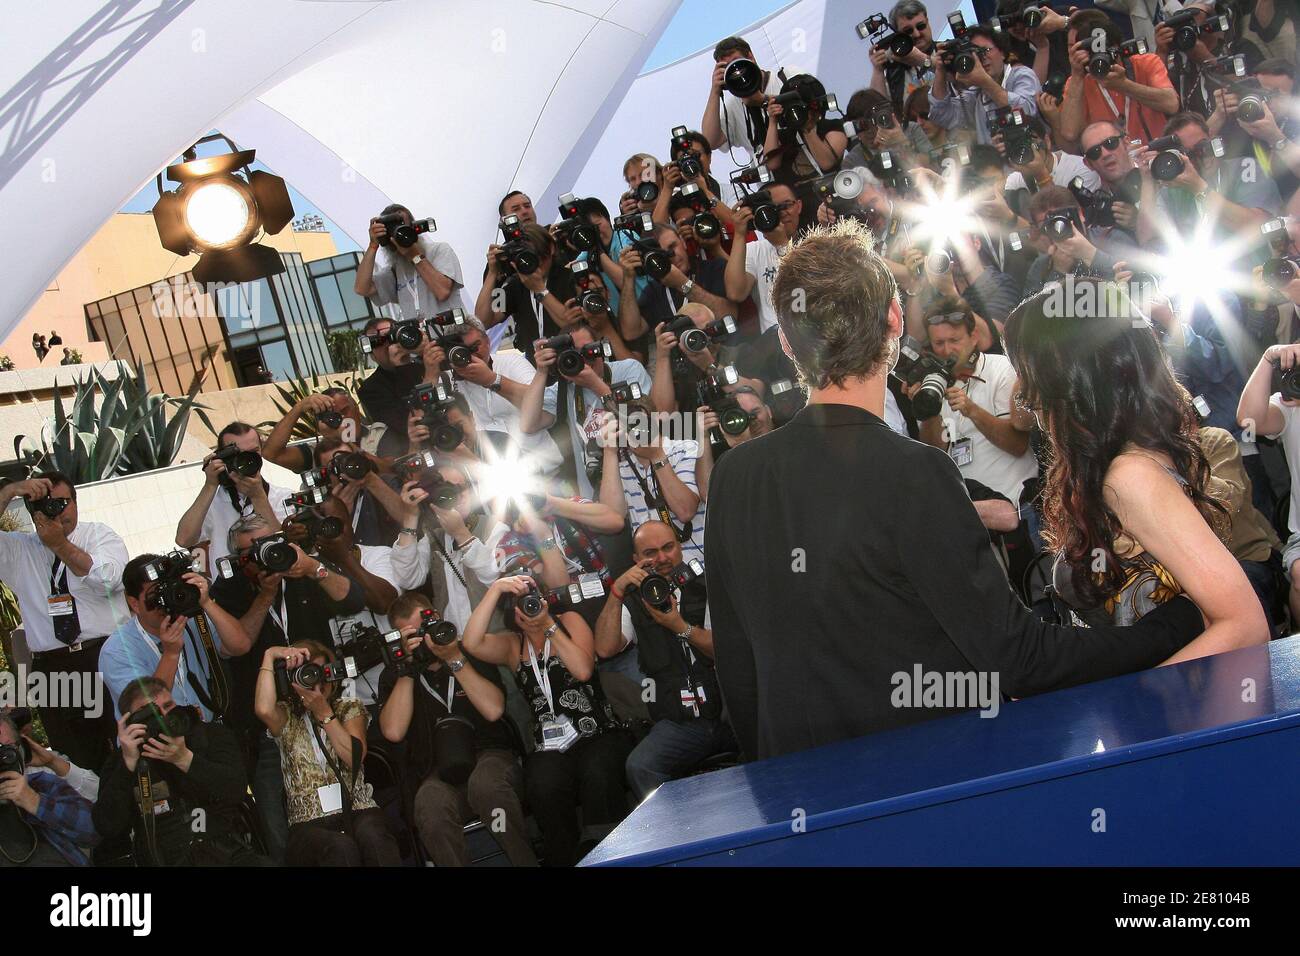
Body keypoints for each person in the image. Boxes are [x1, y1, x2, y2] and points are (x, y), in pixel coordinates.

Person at [705, 219, 1216, 763]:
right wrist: (1175, 623)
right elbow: (1019, 658)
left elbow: (737, 672)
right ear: (896, 321)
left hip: (800, 807)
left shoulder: (734, 478)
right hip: (932, 794)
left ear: (786, 341)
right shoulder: (914, 471)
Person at [1008, 278, 1268, 649]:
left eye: (1028, 368)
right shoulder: (1134, 458)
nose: (1024, 388)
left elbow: (1243, 624)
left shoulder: (1130, 477)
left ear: (1069, 376)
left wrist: (1134, 700)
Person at [462, 575, 631, 866]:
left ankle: (607, 854)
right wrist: (495, 589)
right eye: (520, 601)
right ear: (511, 610)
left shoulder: (569, 621)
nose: (529, 605)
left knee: (598, 771)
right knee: (542, 784)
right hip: (550, 747)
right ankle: (566, 858)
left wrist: (548, 627)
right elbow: (471, 642)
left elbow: (582, 671)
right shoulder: (513, 645)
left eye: (533, 596)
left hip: (598, 731)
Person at [377, 592, 536, 866]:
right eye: (412, 635)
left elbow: (494, 710)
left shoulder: (471, 651)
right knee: (429, 807)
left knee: (486, 788)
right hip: (437, 771)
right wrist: (407, 668)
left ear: (436, 618)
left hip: (490, 755)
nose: (422, 638)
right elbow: (393, 732)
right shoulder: (397, 673)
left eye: (425, 628)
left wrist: (453, 657)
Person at [594, 522, 734, 800]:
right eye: (650, 552)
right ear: (636, 561)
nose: (661, 558)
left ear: (679, 546)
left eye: (668, 547)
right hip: (680, 722)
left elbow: (726, 651)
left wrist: (678, 625)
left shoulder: (709, 583)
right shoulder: (633, 599)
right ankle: (680, 833)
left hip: (730, 710)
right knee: (640, 766)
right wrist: (616, 592)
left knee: (772, 739)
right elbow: (605, 648)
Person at [0, 472, 126, 771]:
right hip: (52, 665)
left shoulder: (98, 535)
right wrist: (10, 491)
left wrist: (60, 546)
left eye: (61, 503)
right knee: (75, 760)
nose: (55, 511)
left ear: (75, 502)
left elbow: (109, 581)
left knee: (126, 749)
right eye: (44, 505)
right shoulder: (20, 548)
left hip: (103, 655)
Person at [93, 678, 271, 866]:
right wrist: (128, 764)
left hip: (227, 852)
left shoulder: (209, 735)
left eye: (168, 707)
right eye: (150, 715)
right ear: (132, 724)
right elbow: (107, 826)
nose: (163, 717)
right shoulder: (123, 760)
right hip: (165, 858)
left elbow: (236, 789)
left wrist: (185, 759)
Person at [255, 639, 402, 866]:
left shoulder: (348, 707)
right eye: (306, 673)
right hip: (307, 822)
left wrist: (325, 714)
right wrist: (270, 654)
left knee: (374, 836)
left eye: (320, 672)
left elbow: (354, 758)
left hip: (357, 808)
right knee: (340, 847)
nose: (315, 681)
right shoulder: (285, 716)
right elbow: (263, 708)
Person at [99, 554, 254, 722]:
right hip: (157, 741)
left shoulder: (191, 619)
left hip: (207, 732)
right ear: (134, 603)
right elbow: (148, 708)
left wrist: (206, 602)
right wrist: (171, 654)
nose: (165, 600)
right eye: (156, 594)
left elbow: (241, 646)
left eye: (168, 590)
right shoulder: (117, 650)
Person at [911, 305, 1038, 507]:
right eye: (939, 343)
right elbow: (937, 454)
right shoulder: (932, 384)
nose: (947, 350)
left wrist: (972, 410)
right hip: (973, 512)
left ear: (974, 336)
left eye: (954, 340)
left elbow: (1017, 445)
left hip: (1018, 505)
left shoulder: (1001, 368)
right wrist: (928, 410)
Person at [519, 319, 654, 499]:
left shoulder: (628, 369)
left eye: (588, 350)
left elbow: (643, 427)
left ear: (600, 347)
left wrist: (597, 386)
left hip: (642, 483)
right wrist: (542, 371)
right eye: (573, 354)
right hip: (598, 493)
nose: (584, 360)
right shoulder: (564, 389)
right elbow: (528, 424)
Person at [174, 422, 293, 566]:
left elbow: (283, 545)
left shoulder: (284, 497)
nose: (248, 460)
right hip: (228, 586)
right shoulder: (214, 501)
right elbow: (183, 540)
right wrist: (210, 485)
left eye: (254, 452)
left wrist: (258, 496)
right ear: (224, 458)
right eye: (240, 455)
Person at [1059, 8, 1180, 147]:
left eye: (1081, 47)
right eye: (1071, 47)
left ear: (1112, 44)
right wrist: (1077, 76)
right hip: (1115, 163)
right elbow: (1069, 133)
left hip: (1159, 152)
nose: (1075, 53)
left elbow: (1171, 104)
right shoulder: (1076, 82)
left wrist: (1124, 85)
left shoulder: (1146, 62)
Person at [0, 712, 98, 866]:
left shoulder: (42, 785)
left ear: (21, 751)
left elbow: (94, 830)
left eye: (6, 751)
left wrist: (35, 802)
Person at [928, 25, 1042, 145]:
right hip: (997, 162)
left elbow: (1027, 111)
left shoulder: (1021, 75)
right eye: (974, 53)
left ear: (1002, 52)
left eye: (986, 50)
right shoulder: (976, 93)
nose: (982, 58)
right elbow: (941, 115)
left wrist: (985, 82)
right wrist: (940, 70)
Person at [354, 203, 466, 318]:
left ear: (414, 228)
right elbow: (362, 288)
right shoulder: (395, 270)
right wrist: (373, 246)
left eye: (403, 227)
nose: (400, 235)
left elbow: (442, 292)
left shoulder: (439, 250)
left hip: (453, 332)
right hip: (423, 335)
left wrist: (414, 255)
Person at [701, 36, 797, 162]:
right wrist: (715, 90)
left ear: (750, 57)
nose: (737, 70)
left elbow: (808, 97)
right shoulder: (733, 106)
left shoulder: (786, 77)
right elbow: (709, 141)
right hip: (770, 178)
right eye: (728, 67)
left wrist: (763, 99)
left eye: (737, 62)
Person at [356, 316, 424, 455]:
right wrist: (401, 367)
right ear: (372, 355)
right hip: (411, 451)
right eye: (377, 342)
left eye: (392, 337)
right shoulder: (370, 389)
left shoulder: (425, 363)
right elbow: (406, 423)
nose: (388, 345)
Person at [868, 0, 940, 118]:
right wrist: (878, 70)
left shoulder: (945, 50)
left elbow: (959, 77)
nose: (917, 34)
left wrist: (922, 60)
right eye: (908, 31)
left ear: (928, 22)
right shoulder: (894, 70)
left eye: (921, 26)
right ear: (897, 35)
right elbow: (879, 109)